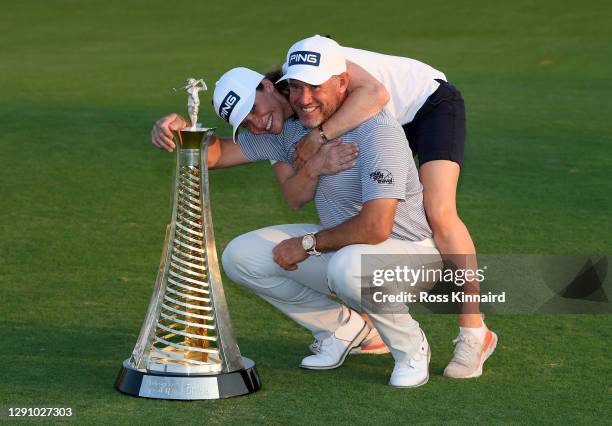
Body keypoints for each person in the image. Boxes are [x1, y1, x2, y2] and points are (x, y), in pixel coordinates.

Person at [152, 35, 498, 379]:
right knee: (344, 229)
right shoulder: (287, 119)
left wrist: (317, 140)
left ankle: (473, 331)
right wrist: (183, 133)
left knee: (438, 212)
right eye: (246, 123)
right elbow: (233, 160)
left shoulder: (320, 73)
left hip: (428, 103)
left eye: (255, 111)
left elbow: (376, 96)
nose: (256, 124)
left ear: (269, 88)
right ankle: (355, 329)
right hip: (352, 123)